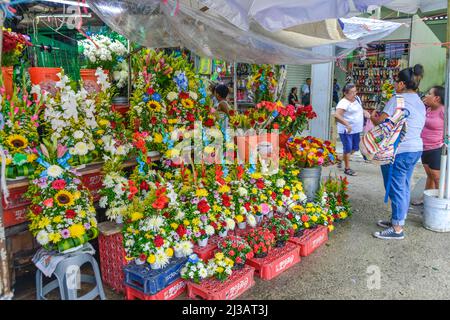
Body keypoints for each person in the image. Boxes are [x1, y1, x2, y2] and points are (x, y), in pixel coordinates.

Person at [370, 64, 425, 240]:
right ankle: (398, 219)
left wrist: (373, 119)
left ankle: (397, 229)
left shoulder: (397, 99)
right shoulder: (420, 101)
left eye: (396, 82)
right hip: (415, 148)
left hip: (398, 151)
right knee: (404, 185)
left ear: (402, 84)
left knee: (396, 187)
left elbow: (383, 125)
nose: (394, 85)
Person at [412, 85, 445, 205]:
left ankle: (441, 203)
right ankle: (426, 198)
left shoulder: (444, 111)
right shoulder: (428, 109)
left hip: (437, 148)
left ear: (436, 98)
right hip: (424, 147)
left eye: (429, 94)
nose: (426, 95)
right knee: (429, 175)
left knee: (437, 177)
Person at [334, 83, 370, 176]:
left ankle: (341, 159)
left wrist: (364, 111)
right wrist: (347, 124)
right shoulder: (343, 102)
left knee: (355, 148)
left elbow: (359, 109)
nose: (355, 94)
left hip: (356, 130)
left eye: (355, 91)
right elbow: (337, 115)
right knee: (348, 148)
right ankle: (347, 168)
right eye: (352, 92)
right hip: (347, 130)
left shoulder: (356, 99)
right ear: (345, 93)